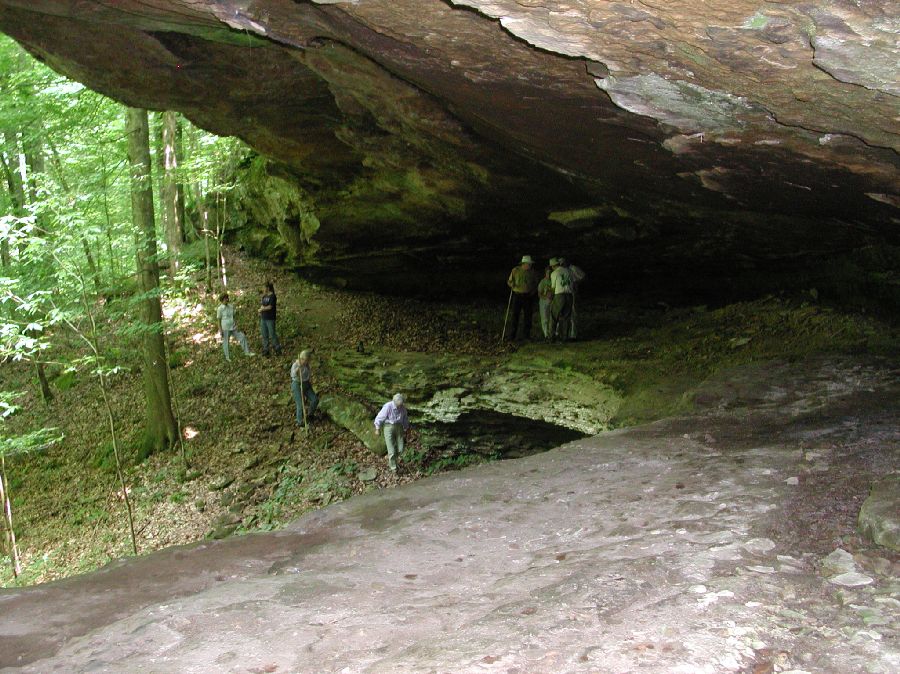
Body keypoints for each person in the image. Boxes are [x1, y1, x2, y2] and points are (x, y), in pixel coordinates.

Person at [505, 255, 539, 341]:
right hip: (517, 295)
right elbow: (509, 281)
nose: (530, 265)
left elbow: (536, 284)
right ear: (524, 263)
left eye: (530, 264)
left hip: (528, 296)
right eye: (529, 264)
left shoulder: (533, 272)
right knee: (515, 316)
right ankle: (512, 336)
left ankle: (526, 336)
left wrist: (533, 291)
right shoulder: (515, 270)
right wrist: (511, 284)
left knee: (528, 316)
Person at [374, 393, 410, 473]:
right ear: (394, 402)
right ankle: (394, 469)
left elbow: (405, 418)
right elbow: (380, 417)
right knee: (391, 450)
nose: (400, 406)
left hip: (399, 427)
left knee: (401, 448)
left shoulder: (402, 407)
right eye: (398, 405)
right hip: (388, 427)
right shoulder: (388, 406)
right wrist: (377, 428)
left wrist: (406, 428)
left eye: (401, 405)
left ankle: (394, 461)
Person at [216, 292, 254, 361]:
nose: (227, 299)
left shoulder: (231, 306)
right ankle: (227, 357)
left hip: (233, 326)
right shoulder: (220, 309)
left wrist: (237, 324)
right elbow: (218, 320)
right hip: (225, 328)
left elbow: (234, 316)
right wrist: (220, 330)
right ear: (222, 300)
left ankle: (247, 352)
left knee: (242, 337)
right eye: (225, 299)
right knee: (226, 342)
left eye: (227, 298)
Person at [290, 349, 319, 426]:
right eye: (306, 360)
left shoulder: (307, 365)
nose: (307, 362)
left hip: (306, 384)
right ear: (302, 359)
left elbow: (308, 374)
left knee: (315, 400)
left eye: (308, 361)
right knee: (300, 404)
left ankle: (310, 415)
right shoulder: (296, 364)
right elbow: (293, 374)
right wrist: (298, 369)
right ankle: (300, 421)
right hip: (297, 384)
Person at [548, 258, 574, 342]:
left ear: (552, 266)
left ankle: (551, 337)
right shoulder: (569, 271)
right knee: (566, 317)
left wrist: (551, 297)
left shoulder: (554, 273)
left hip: (559, 295)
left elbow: (553, 287)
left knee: (554, 316)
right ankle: (564, 337)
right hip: (569, 295)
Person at [560, 258, 586, 340]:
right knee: (565, 313)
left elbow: (583, 276)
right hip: (564, 293)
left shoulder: (573, 268)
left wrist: (576, 283)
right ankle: (565, 333)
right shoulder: (563, 270)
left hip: (572, 293)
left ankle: (573, 334)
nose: (561, 264)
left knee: (573, 312)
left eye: (562, 263)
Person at [258, 281, 282, 357]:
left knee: (272, 334)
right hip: (263, 318)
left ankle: (277, 348)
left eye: (264, 287)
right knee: (264, 334)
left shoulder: (273, 296)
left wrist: (262, 309)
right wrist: (261, 310)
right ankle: (266, 350)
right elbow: (262, 305)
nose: (263, 289)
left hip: (270, 318)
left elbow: (270, 307)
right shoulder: (264, 296)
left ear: (268, 288)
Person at [537, 265, 554, 339]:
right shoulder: (543, 281)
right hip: (544, 302)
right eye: (548, 272)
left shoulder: (553, 280)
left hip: (552, 301)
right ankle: (546, 335)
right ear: (545, 273)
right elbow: (539, 293)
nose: (549, 274)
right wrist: (546, 297)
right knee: (544, 319)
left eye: (550, 272)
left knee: (551, 318)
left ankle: (552, 334)